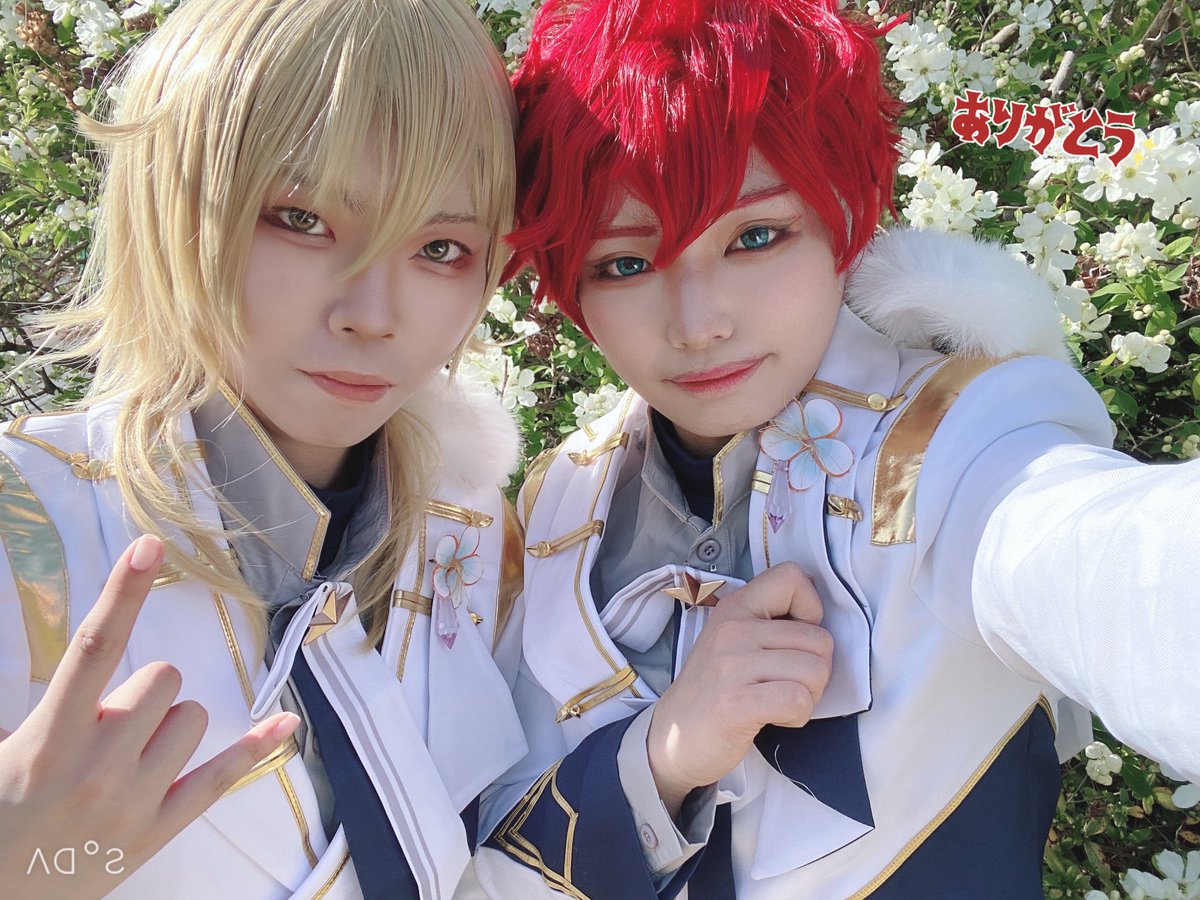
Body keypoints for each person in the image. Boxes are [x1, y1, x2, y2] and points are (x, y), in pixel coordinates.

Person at [472, 0, 1200, 896]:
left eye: (755, 237)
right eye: (625, 262)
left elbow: (1109, 555)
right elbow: (488, 851)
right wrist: (662, 757)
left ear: (845, 218)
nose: (698, 324)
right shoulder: (558, 502)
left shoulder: (956, 438)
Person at [0, 0, 527, 897]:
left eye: (441, 247)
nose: (373, 315)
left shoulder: (472, 532)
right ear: (168, 203)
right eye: (301, 219)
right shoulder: (26, 527)